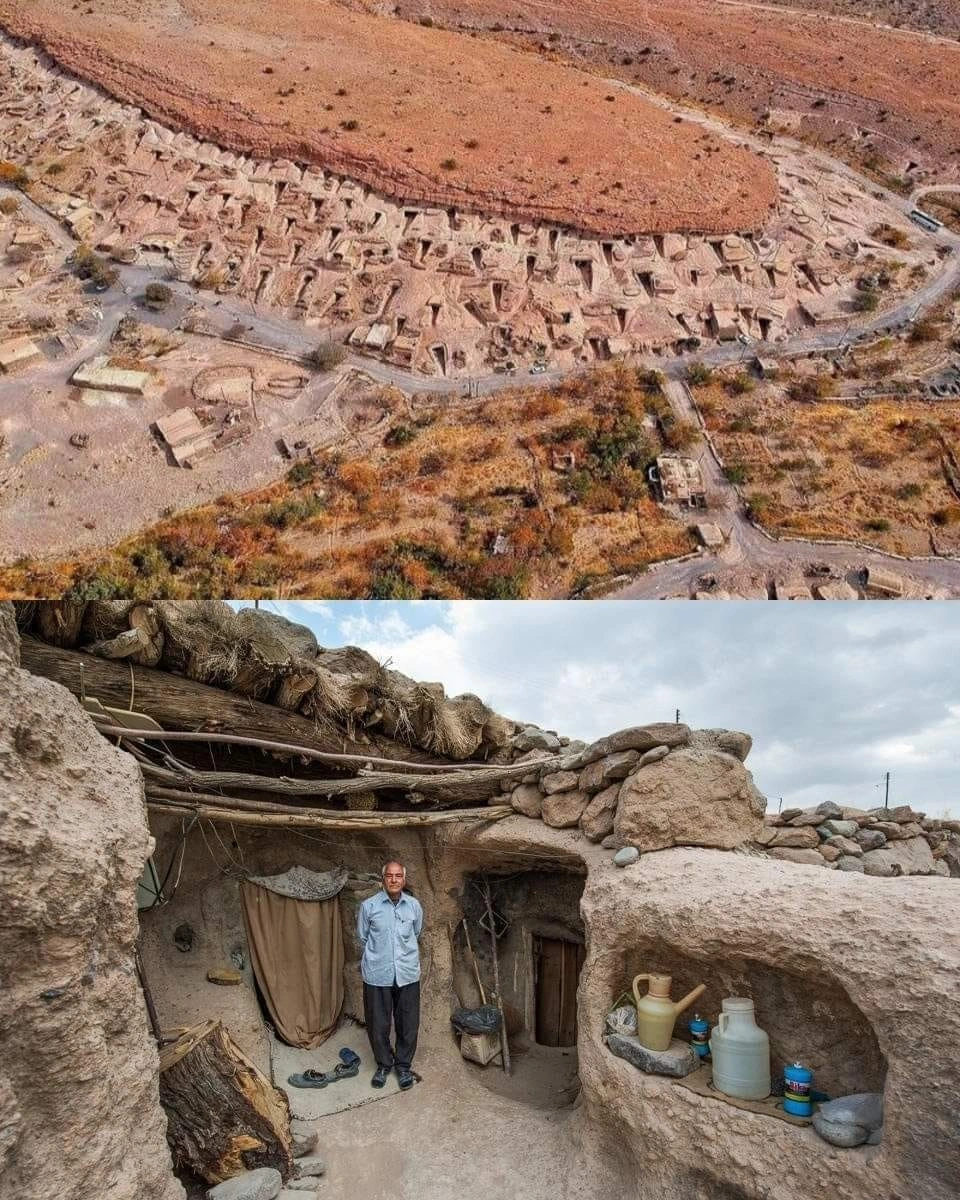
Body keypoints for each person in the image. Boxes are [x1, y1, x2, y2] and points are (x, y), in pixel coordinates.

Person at [356, 859, 423, 1090]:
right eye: (389, 876)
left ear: (404, 879)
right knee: (378, 1023)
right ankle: (384, 1064)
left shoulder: (413, 906)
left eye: (398, 876)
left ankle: (403, 1066)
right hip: (377, 973)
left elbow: (417, 932)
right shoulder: (369, 906)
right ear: (383, 879)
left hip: (407, 973)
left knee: (408, 1023)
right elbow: (363, 937)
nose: (394, 880)